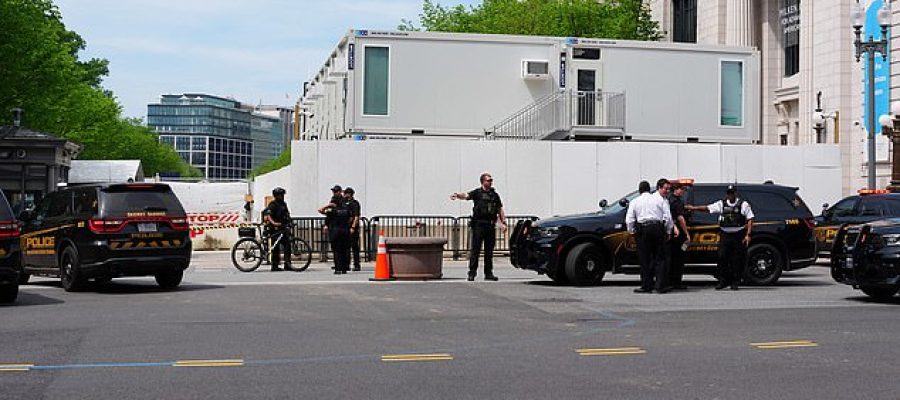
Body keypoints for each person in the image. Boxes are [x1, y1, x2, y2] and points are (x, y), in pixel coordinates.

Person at [686, 185, 754, 291]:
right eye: (729, 193)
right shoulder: (721, 204)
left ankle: (735, 282)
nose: (730, 195)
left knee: (736, 259)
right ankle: (723, 281)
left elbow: (750, 219)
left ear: (736, 193)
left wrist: (748, 235)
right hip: (725, 234)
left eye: (732, 193)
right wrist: (694, 208)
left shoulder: (743, 204)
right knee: (722, 257)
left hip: (738, 234)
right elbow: (708, 208)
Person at [450, 172, 507, 282]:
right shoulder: (477, 193)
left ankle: (488, 273)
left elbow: (499, 209)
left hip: (490, 225)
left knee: (489, 251)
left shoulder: (494, 195)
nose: (490, 182)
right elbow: (466, 195)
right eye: (488, 180)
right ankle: (472, 273)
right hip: (479, 225)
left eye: (491, 180)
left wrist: (503, 223)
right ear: (483, 181)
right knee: (475, 250)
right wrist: (457, 195)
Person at [625, 179, 674, 294]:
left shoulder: (635, 201)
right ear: (649, 189)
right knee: (660, 258)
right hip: (657, 228)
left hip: (643, 230)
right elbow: (668, 217)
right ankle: (660, 286)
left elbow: (630, 219)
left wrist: (632, 231)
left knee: (645, 259)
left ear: (639, 190)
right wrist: (668, 231)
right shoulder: (659, 200)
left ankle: (646, 285)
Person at [318, 187, 352, 274]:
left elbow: (321, 211)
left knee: (337, 250)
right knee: (344, 249)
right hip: (345, 230)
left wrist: (328, 206)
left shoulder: (332, 211)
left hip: (336, 231)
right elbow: (350, 218)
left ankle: (338, 269)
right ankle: (344, 268)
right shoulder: (346, 209)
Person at [667, 182, 691, 290]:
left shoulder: (667, 200)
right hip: (678, 234)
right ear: (676, 190)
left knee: (671, 258)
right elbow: (681, 218)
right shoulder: (677, 202)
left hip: (669, 233)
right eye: (681, 189)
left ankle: (670, 281)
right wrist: (686, 233)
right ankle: (677, 282)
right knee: (679, 259)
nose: (683, 191)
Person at [262, 187, 292, 272]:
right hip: (274, 229)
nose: (282, 196)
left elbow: (286, 214)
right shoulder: (273, 204)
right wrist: (274, 223)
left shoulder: (283, 204)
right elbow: (268, 215)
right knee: (275, 247)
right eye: (281, 195)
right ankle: (274, 266)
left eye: (283, 195)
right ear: (276, 195)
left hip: (283, 228)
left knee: (287, 246)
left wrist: (289, 222)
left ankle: (288, 264)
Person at [344, 187, 362, 271]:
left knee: (354, 247)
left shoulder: (355, 204)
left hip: (352, 229)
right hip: (345, 228)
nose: (344, 195)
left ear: (349, 194)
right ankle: (346, 264)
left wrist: (353, 227)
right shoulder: (345, 203)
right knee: (346, 247)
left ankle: (357, 265)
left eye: (345, 193)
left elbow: (356, 217)